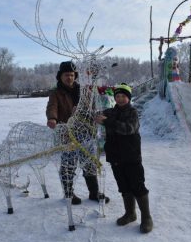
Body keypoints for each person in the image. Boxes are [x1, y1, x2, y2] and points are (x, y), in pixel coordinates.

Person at [46, 61, 110, 205]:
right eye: (66, 75)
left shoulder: (83, 90)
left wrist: (98, 115)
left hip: (85, 133)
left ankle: (94, 193)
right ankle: (69, 194)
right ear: (60, 76)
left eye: (72, 75)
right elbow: (52, 107)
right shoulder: (56, 93)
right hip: (68, 134)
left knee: (89, 163)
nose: (69, 77)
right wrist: (52, 118)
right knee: (69, 164)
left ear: (75, 75)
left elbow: (92, 106)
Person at [94, 83, 153, 233]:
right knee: (124, 186)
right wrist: (84, 113)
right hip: (115, 157)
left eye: (123, 96)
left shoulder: (132, 112)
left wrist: (107, 121)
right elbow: (95, 114)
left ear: (128, 98)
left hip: (131, 156)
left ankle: (146, 217)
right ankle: (130, 213)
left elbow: (128, 129)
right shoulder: (110, 112)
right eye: (118, 96)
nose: (120, 99)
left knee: (138, 186)